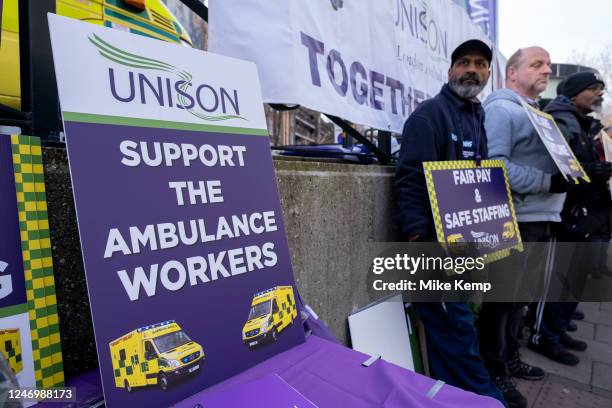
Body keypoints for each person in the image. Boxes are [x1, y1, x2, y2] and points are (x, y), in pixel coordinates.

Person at [395, 39, 505, 407]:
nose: (472, 69)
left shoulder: (478, 117)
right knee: (457, 333)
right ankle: (488, 400)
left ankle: (459, 398)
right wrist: (418, 239)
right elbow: (409, 181)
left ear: (488, 74)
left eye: (480, 64)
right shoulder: (429, 117)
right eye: (463, 62)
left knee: (456, 333)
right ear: (450, 71)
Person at [479, 47, 567, 408]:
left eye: (548, 64)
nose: (546, 69)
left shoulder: (536, 114)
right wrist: (547, 183)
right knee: (502, 302)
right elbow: (493, 167)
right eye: (537, 64)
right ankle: (493, 370)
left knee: (519, 301)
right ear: (512, 73)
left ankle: (509, 359)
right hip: (517, 219)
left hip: (541, 218)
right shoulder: (501, 110)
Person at [531, 72, 612, 362]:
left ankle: (557, 329)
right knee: (562, 279)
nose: (599, 95)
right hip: (570, 215)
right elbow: (561, 164)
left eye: (602, 89)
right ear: (576, 93)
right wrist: (591, 169)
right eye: (593, 89)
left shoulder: (583, 123)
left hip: (588, 215)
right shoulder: (559, 120)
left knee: (576, 280)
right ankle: (543, 335)